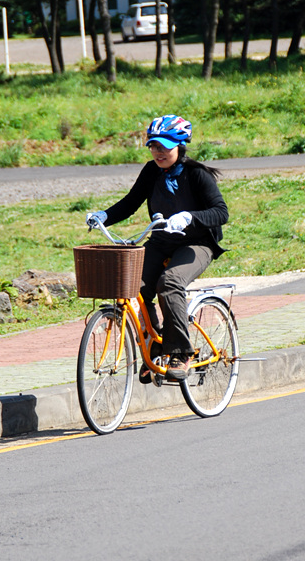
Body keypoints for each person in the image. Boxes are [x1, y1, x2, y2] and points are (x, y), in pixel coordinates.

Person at [87, 114, 229, 382]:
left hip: (197, 243)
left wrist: (190, 217)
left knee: (170, 282)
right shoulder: (152, 171)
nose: (157, 152)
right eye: (153, 146)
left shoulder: (196, 174)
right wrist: (104, 215)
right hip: (162, 241)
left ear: (180, 144)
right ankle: (155, 346)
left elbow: (221, 212)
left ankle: (180, 352)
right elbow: (131, 202)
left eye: (164, 146)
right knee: (134, 286)